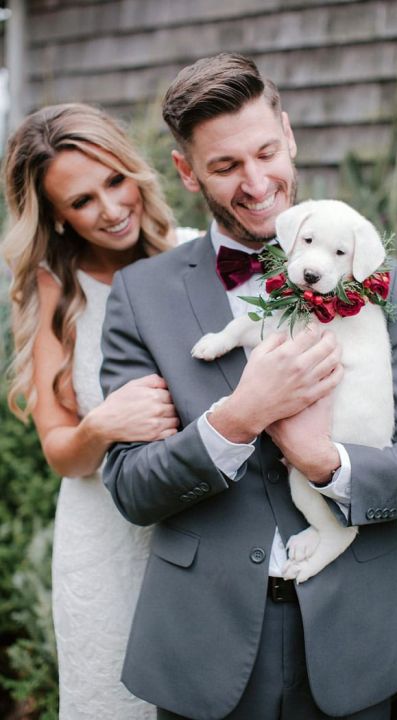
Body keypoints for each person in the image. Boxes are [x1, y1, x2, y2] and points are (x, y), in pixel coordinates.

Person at [100, 54, 397, 720]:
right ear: (187, 173)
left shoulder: (380, 283)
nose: (258, 182)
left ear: (290, 136)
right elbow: (130, 486)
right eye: (225, 165)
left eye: (267, 151)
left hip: (351, 643)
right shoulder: (140, 295)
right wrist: (236, 420)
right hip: (203, 650)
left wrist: (324, 462)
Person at [1, 102, 185, 719]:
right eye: (82, 202)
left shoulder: (191, 256)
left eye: (114, 181)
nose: (110, 210)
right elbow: (60, 452)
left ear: (135, 172)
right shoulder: (56, 291)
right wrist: (102, 424)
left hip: (197, 528)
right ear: (55, 216)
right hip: (104, 537)